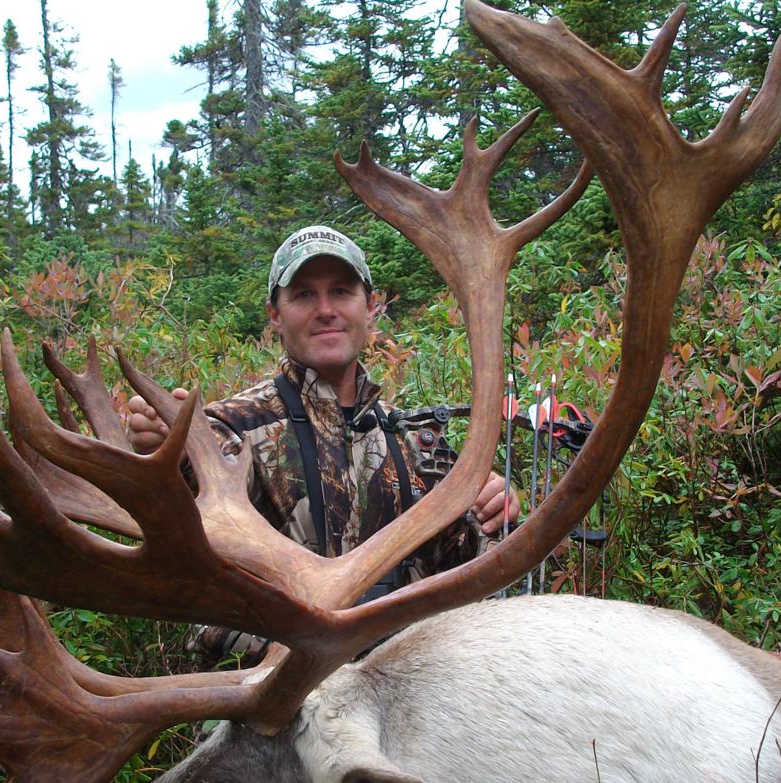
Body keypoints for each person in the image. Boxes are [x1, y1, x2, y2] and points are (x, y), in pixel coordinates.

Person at [128, 225, 519, 664]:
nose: (326, 310)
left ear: (370, 307)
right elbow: (184, 521)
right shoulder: (232, 428)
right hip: (280, 692)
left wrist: (492, 509)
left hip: (406, 690)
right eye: (304, 295)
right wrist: (168, 454)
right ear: (276, 314)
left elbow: (470, 570)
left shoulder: (413, 442)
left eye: (340, 291)